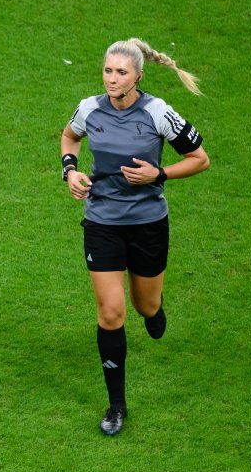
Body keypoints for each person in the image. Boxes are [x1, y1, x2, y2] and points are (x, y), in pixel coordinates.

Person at [60, 38, 210, 436]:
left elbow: (199, 159)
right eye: (108, 71)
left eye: (121, 72)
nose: (112, 79)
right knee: (111, 313)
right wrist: (70, 171)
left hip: (147, 224)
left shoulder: (158, 112)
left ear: (138, 76)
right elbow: (69, 137)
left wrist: (158, 174)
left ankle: (154, 309)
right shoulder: (90, 109)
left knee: (144, 306)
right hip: (102, 221)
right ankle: (116, 405)